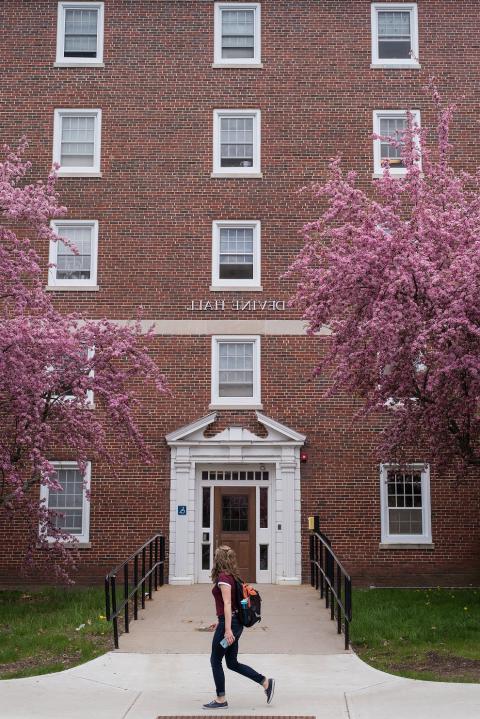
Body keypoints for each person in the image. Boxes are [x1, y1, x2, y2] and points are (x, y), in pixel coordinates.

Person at [203, 545, 275, 710]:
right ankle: (265, 682)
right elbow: (230, 605)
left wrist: (226, 629)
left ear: (218, 559)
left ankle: (221, 699)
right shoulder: (232, 577)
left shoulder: (223, 578)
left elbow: (228, 603)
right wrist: (220, 622)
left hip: (230, 627)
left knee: (215, 660)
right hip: (234, 624)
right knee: (232, 663)